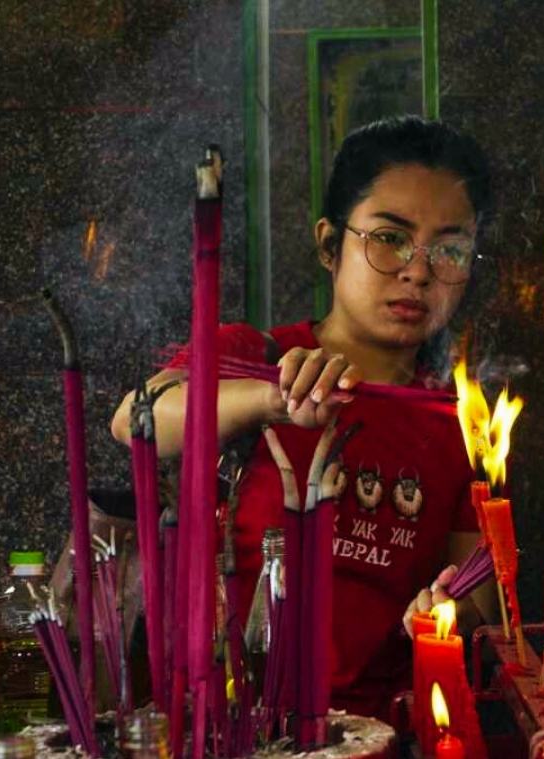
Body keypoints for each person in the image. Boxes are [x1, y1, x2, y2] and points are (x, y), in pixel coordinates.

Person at [111, 115, 498, 719]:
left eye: (448, 249)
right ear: (328, 244)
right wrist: (269, 400)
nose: (418, 271)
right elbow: (137, 418)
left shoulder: (459, 420)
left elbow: (483, 594)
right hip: (230, 720)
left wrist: (450, 607)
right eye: (389, 238)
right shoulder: (255, 356)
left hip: (376, 731)